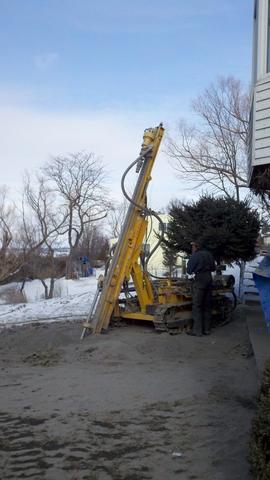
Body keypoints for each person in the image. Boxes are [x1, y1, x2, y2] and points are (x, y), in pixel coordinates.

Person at [186, 241, 216, 337]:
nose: (192, 248)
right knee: (207, 305)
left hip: (200, 279)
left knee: (197, 305)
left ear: (196, 247)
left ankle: (197, 331)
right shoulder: (209, 255)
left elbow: (189, 270)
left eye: (193, 246)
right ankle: (207, 330)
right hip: (209, 278)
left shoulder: (195, 255)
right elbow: (213, 268)